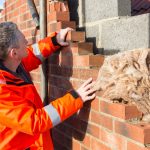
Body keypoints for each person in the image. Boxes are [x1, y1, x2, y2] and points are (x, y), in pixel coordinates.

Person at [0, 22, 96, 150]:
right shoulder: (1, 91)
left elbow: (33, 54)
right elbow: (35, 122)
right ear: (14, 54)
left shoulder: (11, 64)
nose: (27, 41)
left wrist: (55, 40)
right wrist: (75, 98)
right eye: (23, 40)